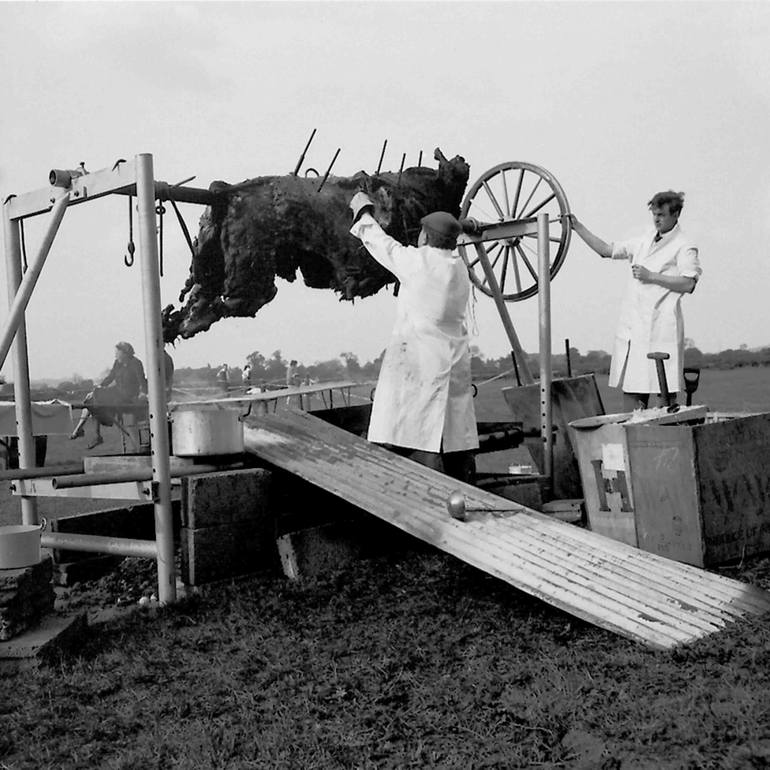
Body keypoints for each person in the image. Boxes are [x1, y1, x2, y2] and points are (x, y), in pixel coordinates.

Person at [348, 191, 478, 482]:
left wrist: (364, 212)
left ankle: (420, 489)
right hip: (452, 363)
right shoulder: (459, 270)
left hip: (420, 364)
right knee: (450, 436)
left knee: (415, 431)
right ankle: (462, 485)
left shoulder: (418, 263)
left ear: (426, 238)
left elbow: (384, 246)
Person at [569, 190, 701, 411]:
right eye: (654, 214)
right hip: (636, 330)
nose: (657, 219)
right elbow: (606, 250)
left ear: (676, 214)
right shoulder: (644, 240)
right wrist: (577, 227)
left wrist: (652, 276)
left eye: (662, 215)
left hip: (661, 331)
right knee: (632, 394)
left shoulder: (684, 245)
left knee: (664, 397)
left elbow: (688, 284)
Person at [70, 341, 147, 449]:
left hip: (128, 396)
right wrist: (98, 387)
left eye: (117, 352)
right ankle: (94, 434)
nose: (115, 355)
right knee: (92, 400)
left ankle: (83, 431)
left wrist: (143, 394)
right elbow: (110, 377)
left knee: (94, 400)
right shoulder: (117, 363)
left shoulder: (136, 363)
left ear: (125, 353)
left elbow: (142, 381)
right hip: (116, 392)